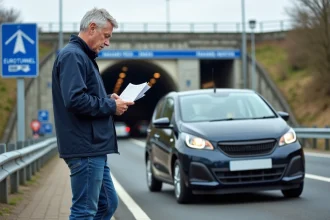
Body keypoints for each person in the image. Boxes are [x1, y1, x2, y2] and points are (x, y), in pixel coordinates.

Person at [51, 7, 134, 220]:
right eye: (106, 36)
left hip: (93, 147)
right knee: (84, 211)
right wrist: (111, 107)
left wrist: (108, 99)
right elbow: (75, 100)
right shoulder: (73, 56)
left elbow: (83, 95)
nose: (107, 42)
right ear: (92, 27)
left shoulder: (83, 57)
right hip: (85, 147)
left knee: (107, 204)